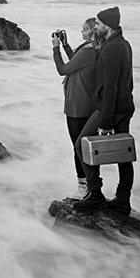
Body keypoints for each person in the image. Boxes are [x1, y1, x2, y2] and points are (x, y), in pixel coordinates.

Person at [73, 6, 135, 215]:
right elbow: (127, 82)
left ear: (107, 26)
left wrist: (106, 123)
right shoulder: (123, 44)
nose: (95, 27)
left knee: (81, 145)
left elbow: (110, 88)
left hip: (111, 109)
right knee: (123, 155)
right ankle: (122, 200)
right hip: (125, 107)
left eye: (98, 24)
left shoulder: (111, 49)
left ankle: (96, 195)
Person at [52, 18, 100, 196]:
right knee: (85, 147)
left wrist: (56, 47)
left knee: (78, 148)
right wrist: (66, 45)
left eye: (84, 29)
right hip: (86, 103)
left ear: (92, 32)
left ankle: (84, 187)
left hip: (78, 106)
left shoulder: (88, 51)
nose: (82, 32)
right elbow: (76, 63)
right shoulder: (91, 48)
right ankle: (90, 185)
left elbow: (63, 69)